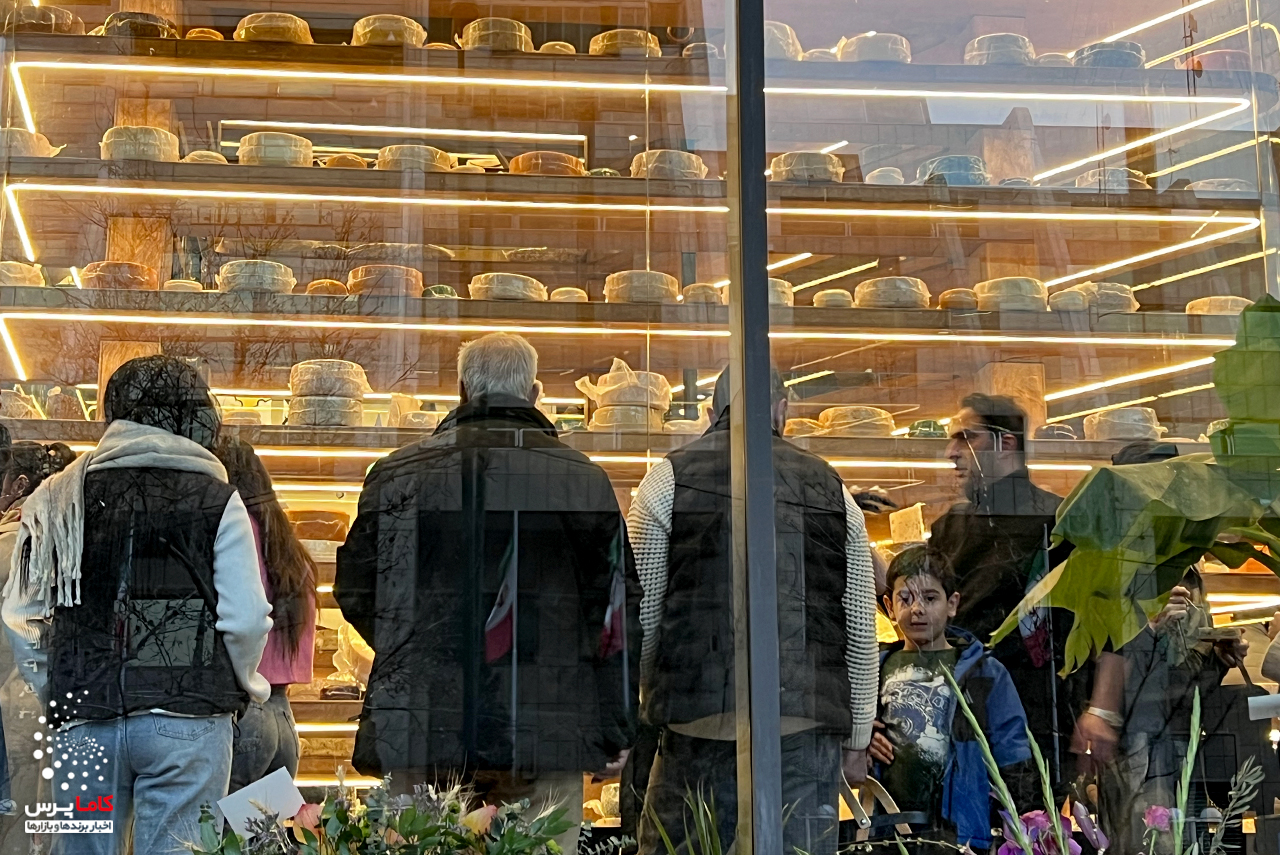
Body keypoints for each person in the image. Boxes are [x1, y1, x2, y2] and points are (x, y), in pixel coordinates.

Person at [335, 333, 639, 855]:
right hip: (546, 724)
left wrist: (414, 648)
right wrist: (615, 725)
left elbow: (358, 586)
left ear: (461, 391)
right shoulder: (581, 478)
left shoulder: (399, 473)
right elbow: (615, 611)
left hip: (426, 720)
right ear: (535, 393)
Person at [2, 355, 272, 855]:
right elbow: (247, 618)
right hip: (189, 718)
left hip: (84, 713)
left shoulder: (57, 497)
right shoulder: (217, 497)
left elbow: (22, 618)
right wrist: (244, 684)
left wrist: (55, 686)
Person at [629, 370, 878, 855]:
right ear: (783, 410)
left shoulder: (667, 479)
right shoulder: (831, 486)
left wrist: (648, 693)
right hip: (802, 727)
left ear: (711, 412)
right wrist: (858, 736)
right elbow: (859, 626)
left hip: (697, 724)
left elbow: (643, 614)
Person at [929, 393, 1093, 788]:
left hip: (1037, 714)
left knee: (1029, 820)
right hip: (956, 708)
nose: (952, 453)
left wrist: (1099, 709)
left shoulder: (1058, 522)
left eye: (966, 437)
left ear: (1006, 443)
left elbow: (1097, 621)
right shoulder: (948, 527)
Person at [871, 545, 1033, 852]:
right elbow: (850, 734)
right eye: (905, 598)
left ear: (952, 604)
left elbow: (1013, 750)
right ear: (889, 607)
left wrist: (1021, 827)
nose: (917, 608)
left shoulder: (985, 672)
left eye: (930, 598)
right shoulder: (873, 671)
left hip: (964, 833)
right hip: (888, 832)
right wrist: (864, 738)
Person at [214, 437, 316, 792]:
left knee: (218, 826)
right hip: (282, 716)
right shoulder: (286, 542)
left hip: (243, 712)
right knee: (262, 823)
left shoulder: (233, 535)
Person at [0, 440, 72, 854]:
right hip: (46, 697)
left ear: (20, 485)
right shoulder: (64, 530)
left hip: (21, 697)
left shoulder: (18, 538)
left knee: (18, 818)